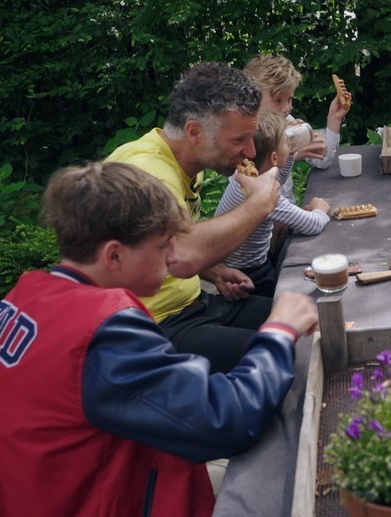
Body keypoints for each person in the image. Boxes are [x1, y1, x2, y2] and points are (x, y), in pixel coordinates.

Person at [0, 162, 319, 517]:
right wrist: (276, 333)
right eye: (163, 247)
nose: (172, 260)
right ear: (115, 255)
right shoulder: (100, 332)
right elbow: (224, 419)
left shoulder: (27, 296)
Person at [107, 61, 280, 374]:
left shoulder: (185, 163)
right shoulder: (148, 173)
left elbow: (161, 243)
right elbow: (183, 253)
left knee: (306, 315)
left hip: (194, 305)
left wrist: (213, 271)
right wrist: (260, 204)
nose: (251, 152)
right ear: (194, 132)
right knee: (285, 352)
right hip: (152, 329)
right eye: (239, 140)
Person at [244, 54, 351, 262]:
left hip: (287, 224)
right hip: (258, 244)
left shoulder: (287, 121)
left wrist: (333, 119)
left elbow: (322, 159)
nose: (286, 108)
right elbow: (258, 192)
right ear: (252, 101)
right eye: (277, 100)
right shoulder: (247, 138)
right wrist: (289, 154)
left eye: (289, 99)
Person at [215, 110, 331, 297]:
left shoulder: (246, 175)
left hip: (236, 262)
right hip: (250, 272)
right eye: (287, 142)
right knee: (282, 297)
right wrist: (320, 210)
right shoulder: (264, 195)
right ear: (274, 158)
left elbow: (280, 176)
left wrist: (290, 149)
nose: (290, 144)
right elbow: (312, 224)